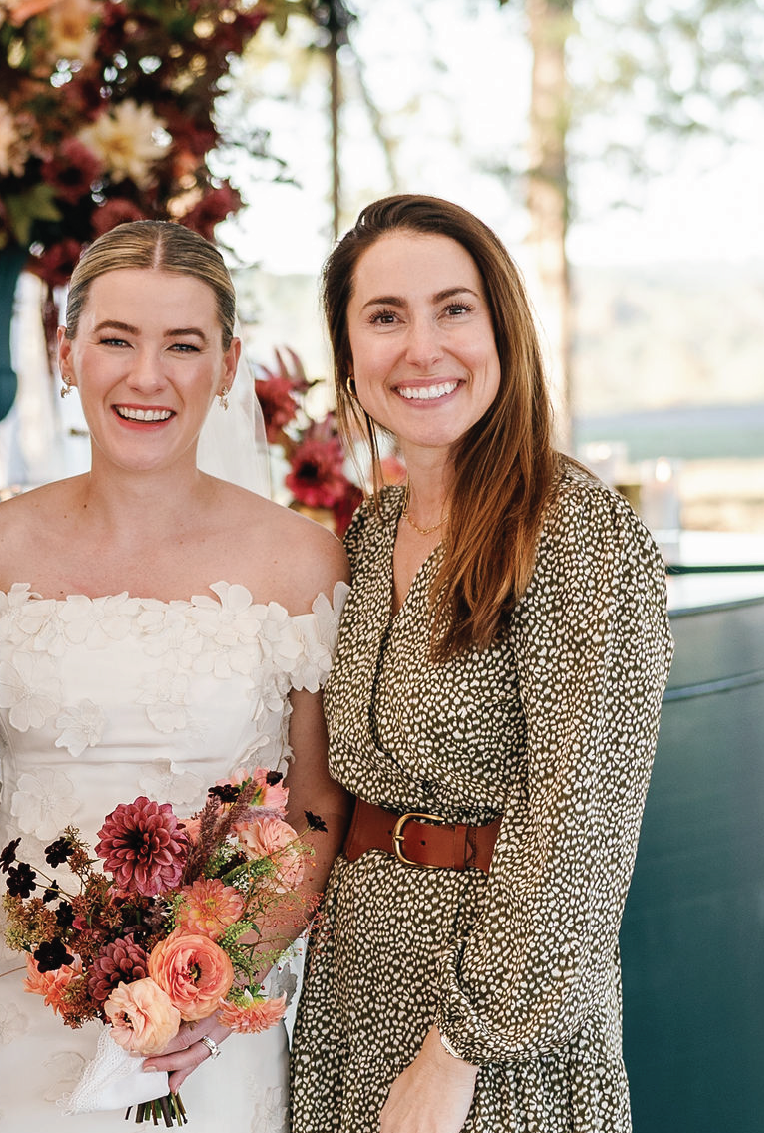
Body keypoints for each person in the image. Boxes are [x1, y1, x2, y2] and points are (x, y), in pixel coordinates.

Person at [0, 220, 351, 1130]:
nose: (147, 377)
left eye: (183, 345)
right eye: (115, 340)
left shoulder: (303, 563)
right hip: (7, 1017)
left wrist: (213, 987)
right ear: (66, 355)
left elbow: (313, 810)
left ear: (225, 368)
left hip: (210, 1034)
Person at [289, 195, 673, 1133]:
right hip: (354, 996)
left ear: (501, 327)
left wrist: (457, 1052)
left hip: (498, 1031)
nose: (421, 347)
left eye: (452, 308)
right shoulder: (372, 530)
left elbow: (579, 833)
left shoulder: (579, 534)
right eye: (385, 316)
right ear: (348, 354)